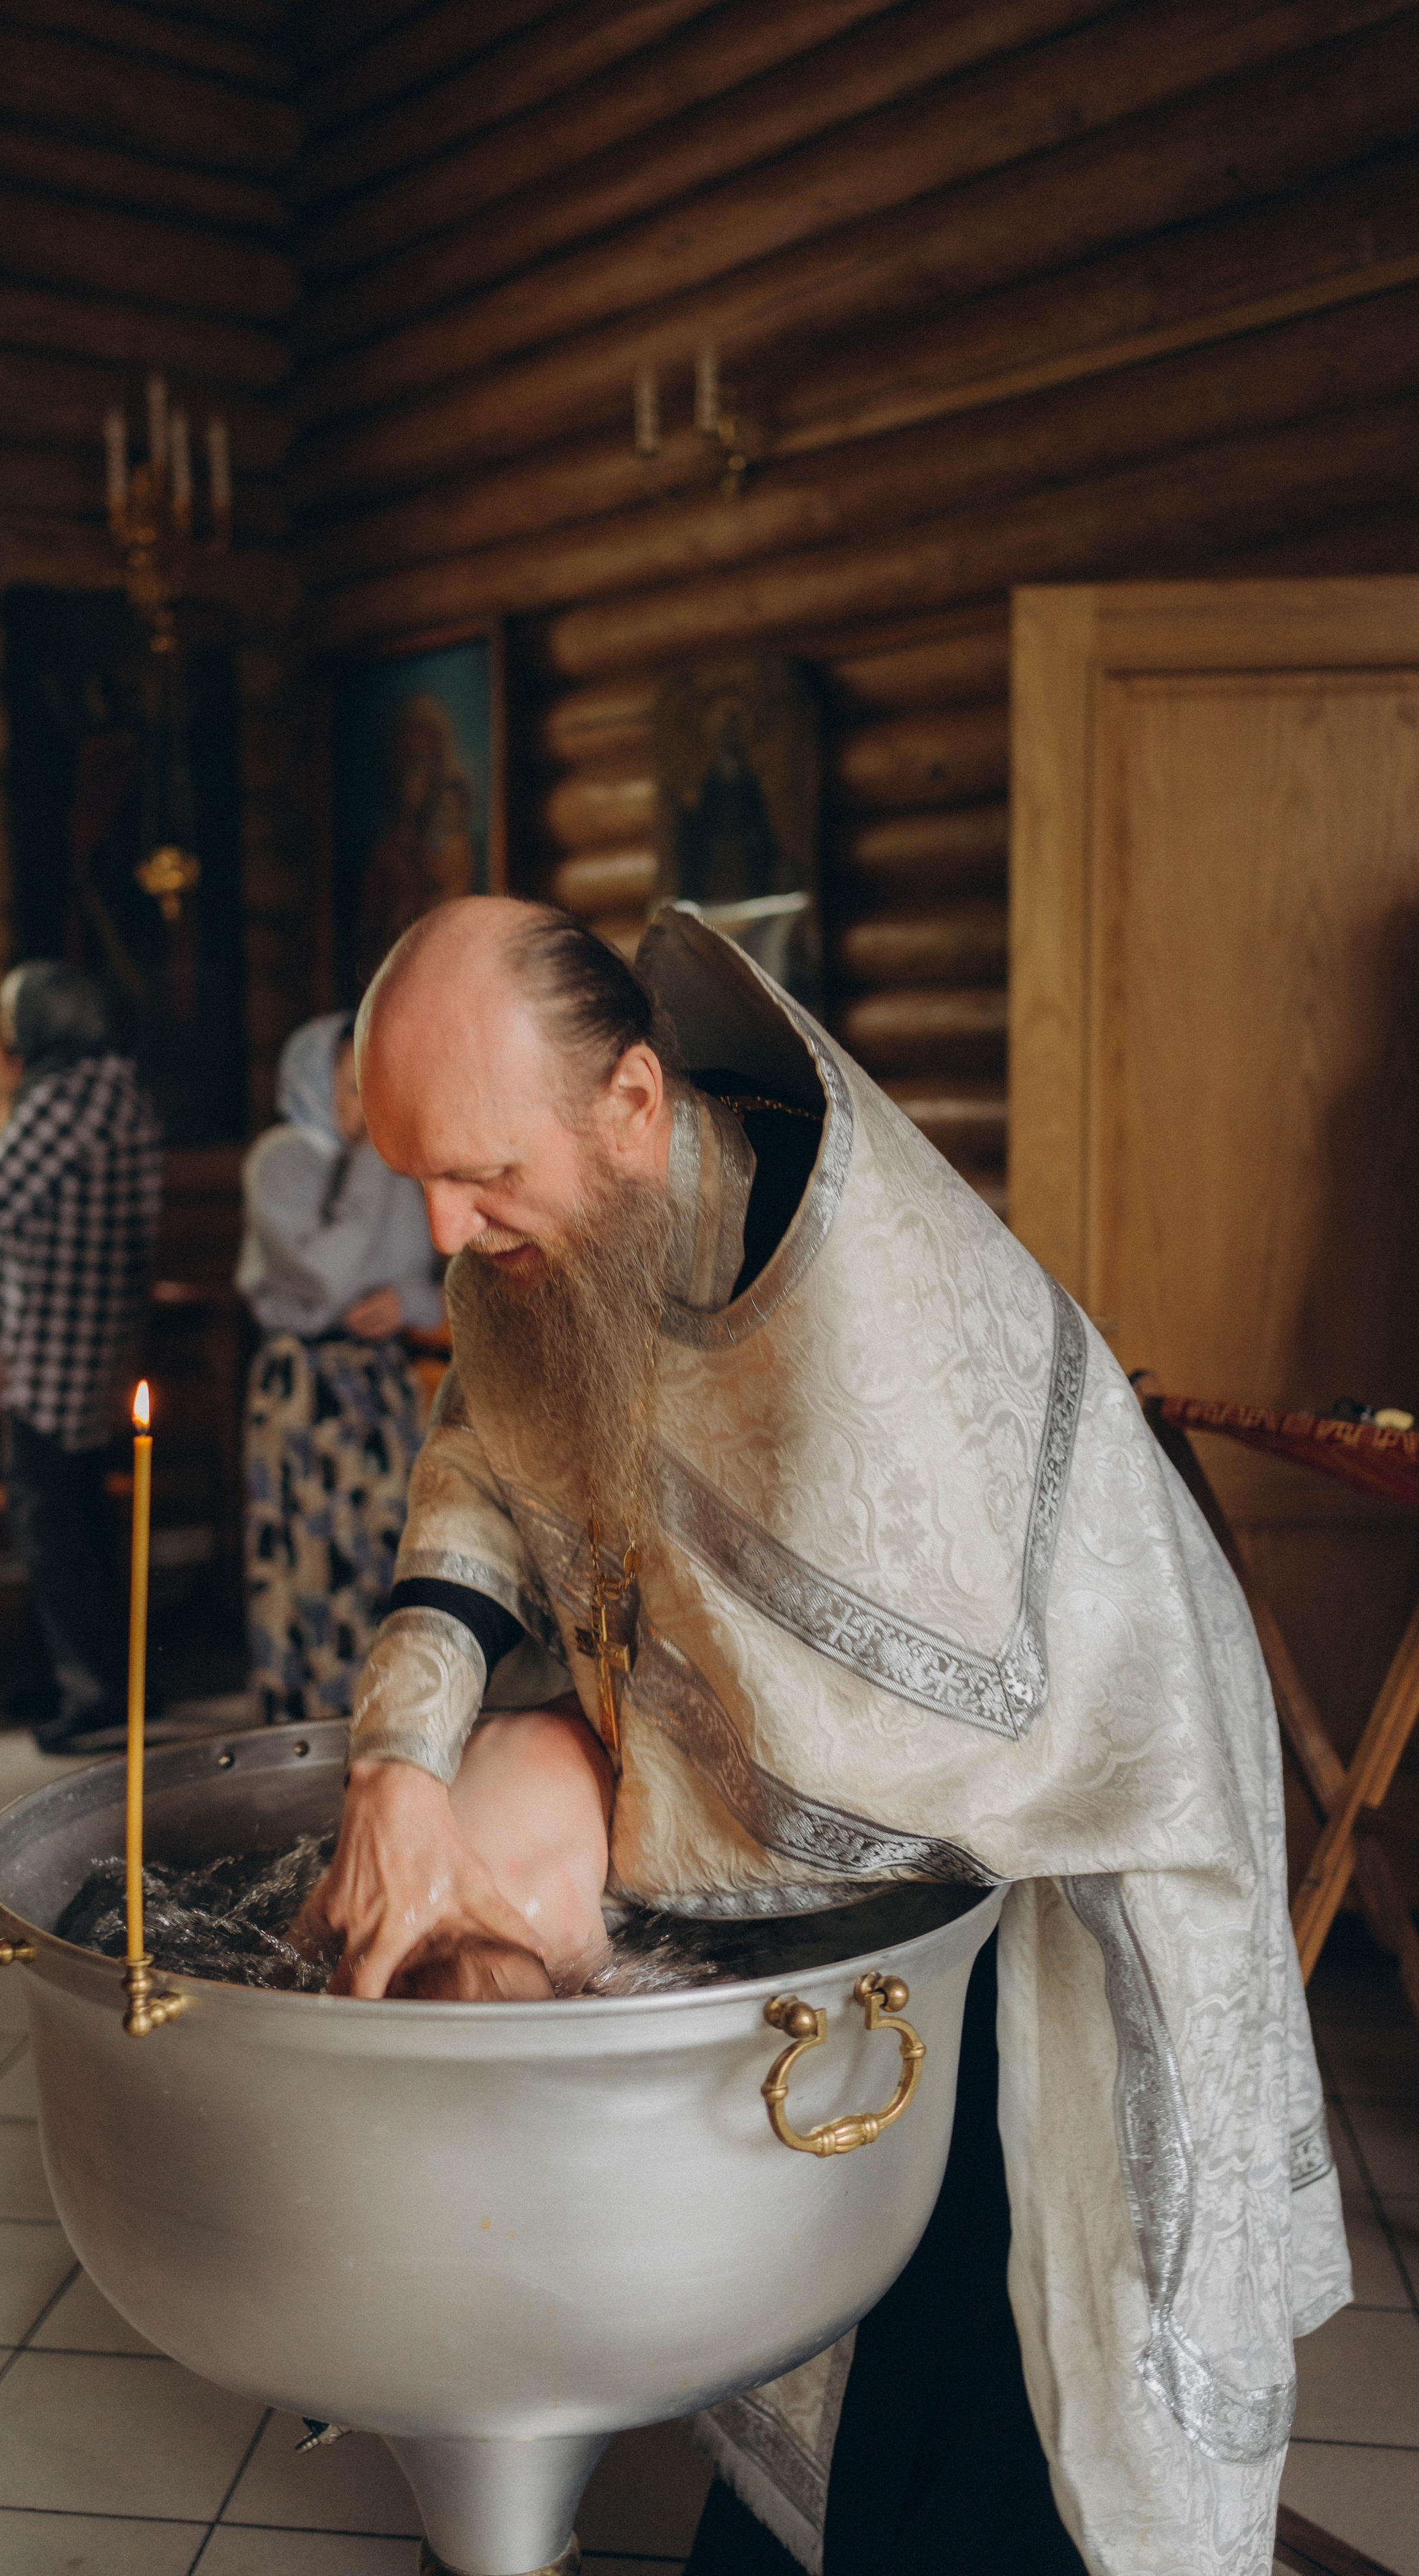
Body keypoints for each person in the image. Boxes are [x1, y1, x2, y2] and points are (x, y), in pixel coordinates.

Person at [296, 897, 1351, 2576]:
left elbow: (897, 1759)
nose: (439, 1222)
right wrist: (400, 1756)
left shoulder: (871, 1316)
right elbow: (484, 1463)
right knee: (833, 2300)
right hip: (841, 1891)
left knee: (1013, 2346)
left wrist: (545, 1846)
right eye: (412, 1172)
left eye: (478, 1171)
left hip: (1059, 1853)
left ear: (630, 1104)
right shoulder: (564, 1232)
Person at [0, 961, 161, 1753]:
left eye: (13, 1019)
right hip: (92, 1340)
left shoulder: (62, 1097)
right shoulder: (119, 1088)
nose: (5, 1036)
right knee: (78, 1519)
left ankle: (97, 1695)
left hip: (52, 1347)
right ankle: (87, 1675)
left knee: (51, 1524)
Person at [238, 1010, 443, 1727]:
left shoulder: (391, 1163)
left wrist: (408, 1298)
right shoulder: (280, 1159)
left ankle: (386, 1721)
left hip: (379, 1385)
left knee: (387, 1552)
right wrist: (370, 1159)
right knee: (308, 1564)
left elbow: (433, 1271)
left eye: (372, 1082)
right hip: (306, 1386)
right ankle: (307, 1731)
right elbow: (323, 1279)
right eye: (348, 1083)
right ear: (309, 1079)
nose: (364, 1099)